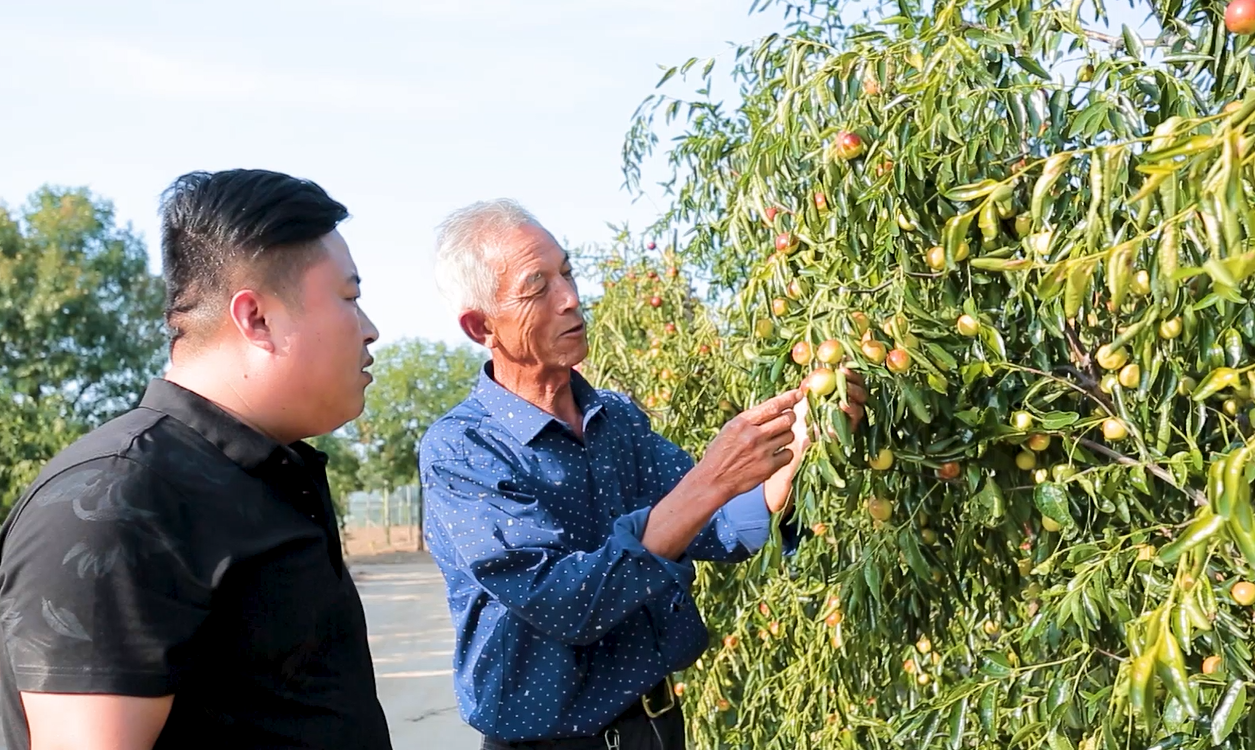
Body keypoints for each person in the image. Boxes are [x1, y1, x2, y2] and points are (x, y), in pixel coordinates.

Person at [420, 199, 867, 750]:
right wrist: (713, 479)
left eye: (568, 272)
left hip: (655, 728)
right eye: (538, 286)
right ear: (481, 325)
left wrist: (799, 442)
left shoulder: (615, 420)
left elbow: (724, 527)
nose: (570, 298)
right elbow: (566, 604)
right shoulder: (464, 450)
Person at [0, 169, 391, 750]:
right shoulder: (118, 503)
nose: (371, 330)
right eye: (350, 298)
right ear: (255, 317)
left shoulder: (265, 478)